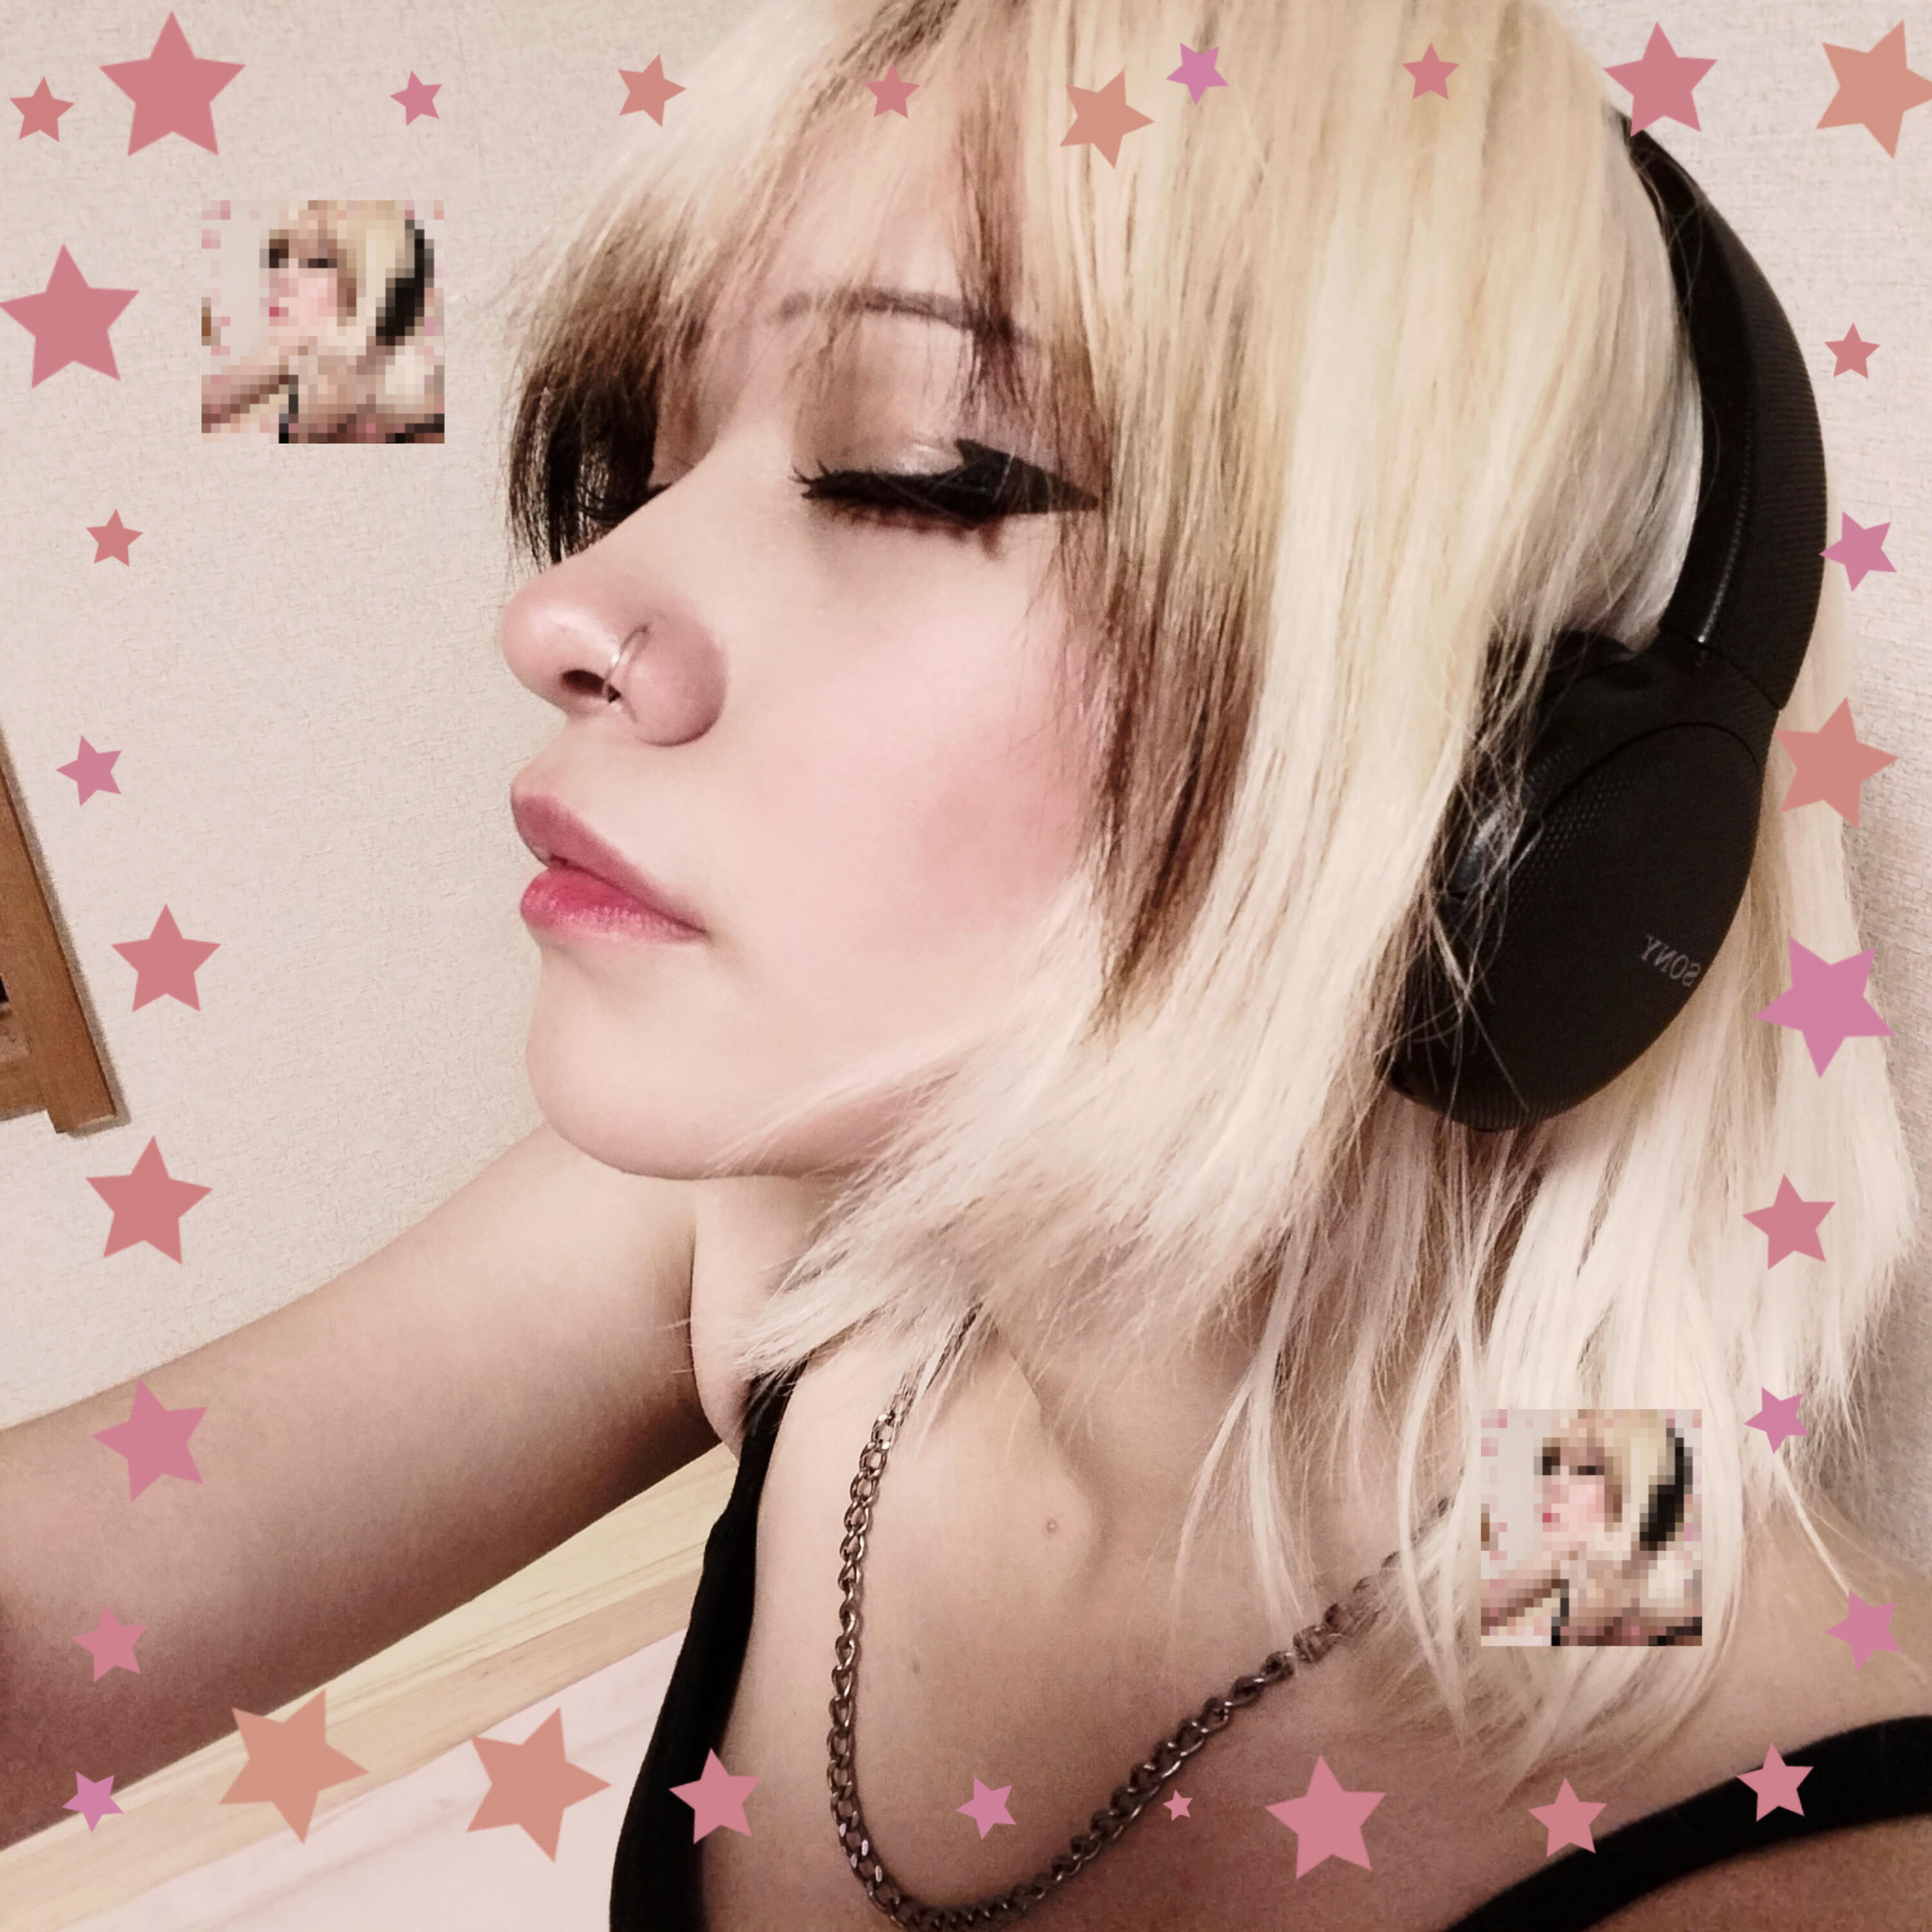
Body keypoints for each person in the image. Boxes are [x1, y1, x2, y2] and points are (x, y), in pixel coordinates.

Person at [5, 1, 1931, 1927]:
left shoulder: (1802, 1852)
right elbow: (61, 1599)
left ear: (1518, 810)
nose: (560, 610)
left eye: (920, 470)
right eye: (645, 468)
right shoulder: (779, 1237)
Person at [199, 199, 443, 442]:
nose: (281, 277)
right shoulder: (294, 395)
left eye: (316, 261)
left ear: (373, 284)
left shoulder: (409, 426)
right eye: (280, 257)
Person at [1482, 1412, 1702, 1646]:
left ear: (1638, 1486)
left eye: (1585, 1469)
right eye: (1552, 1465)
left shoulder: (1669, 1624)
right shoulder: (1558, 1601)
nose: (1553, 1484)